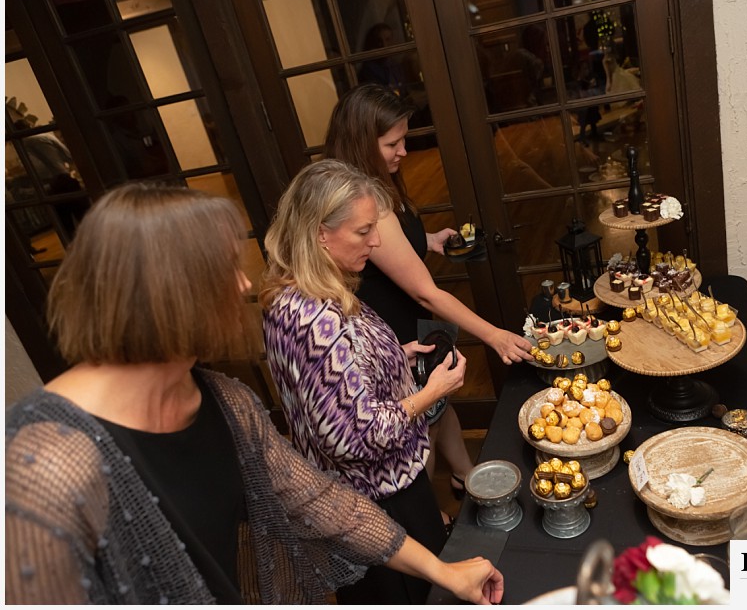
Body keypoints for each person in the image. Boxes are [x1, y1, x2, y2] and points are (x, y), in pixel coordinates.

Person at [4, 182, 503, 605]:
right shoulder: (44, 462)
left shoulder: (224, 399)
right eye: (225, 268)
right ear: (166, 296)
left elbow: (323, 501)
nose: (244, 282)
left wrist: (443, 571)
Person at [260, 159, 475, 604]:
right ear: (320, 232)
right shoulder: (317, 316)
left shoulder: (296, 292)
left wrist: (398, 353)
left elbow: (333, 382)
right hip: (379, 501)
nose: (375, 242)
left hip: (354, 501)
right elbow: (355, 436)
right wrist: (431, 392)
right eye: (363, 232)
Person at [324, 84, 532, 497]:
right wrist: (492, 335)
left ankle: (466, 479)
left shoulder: (376, 186)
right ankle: (431, 518)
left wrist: (429, 240)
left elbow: (391, 249)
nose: (403, 151)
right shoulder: (362, 200)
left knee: (440, 408)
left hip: (404, 320)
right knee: (422, 428)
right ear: (362, 142)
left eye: (404, 139)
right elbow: (425, 293)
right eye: (392, 143)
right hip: (393, 327)